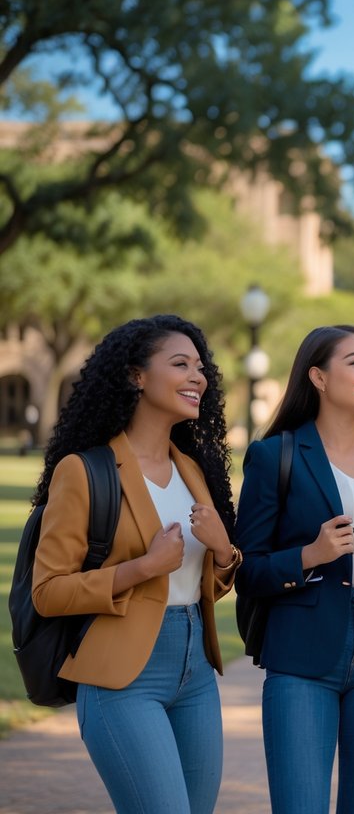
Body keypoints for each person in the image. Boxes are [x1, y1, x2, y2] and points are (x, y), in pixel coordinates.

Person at [32, 315, 240, 813]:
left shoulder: (193, 470)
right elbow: (49, 591)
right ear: (136, 376)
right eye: (180, 364)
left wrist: (225, 552)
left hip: (195, 673)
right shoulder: (83, 470)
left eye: (200, 366)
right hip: (121, 678)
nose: (198, 377)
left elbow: (205, 583)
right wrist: (143, 568)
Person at [234, 325, 354, 814]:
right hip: (301, 647)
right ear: (317, 377)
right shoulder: (273, 455)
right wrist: (308, 555)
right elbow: (246, 571)